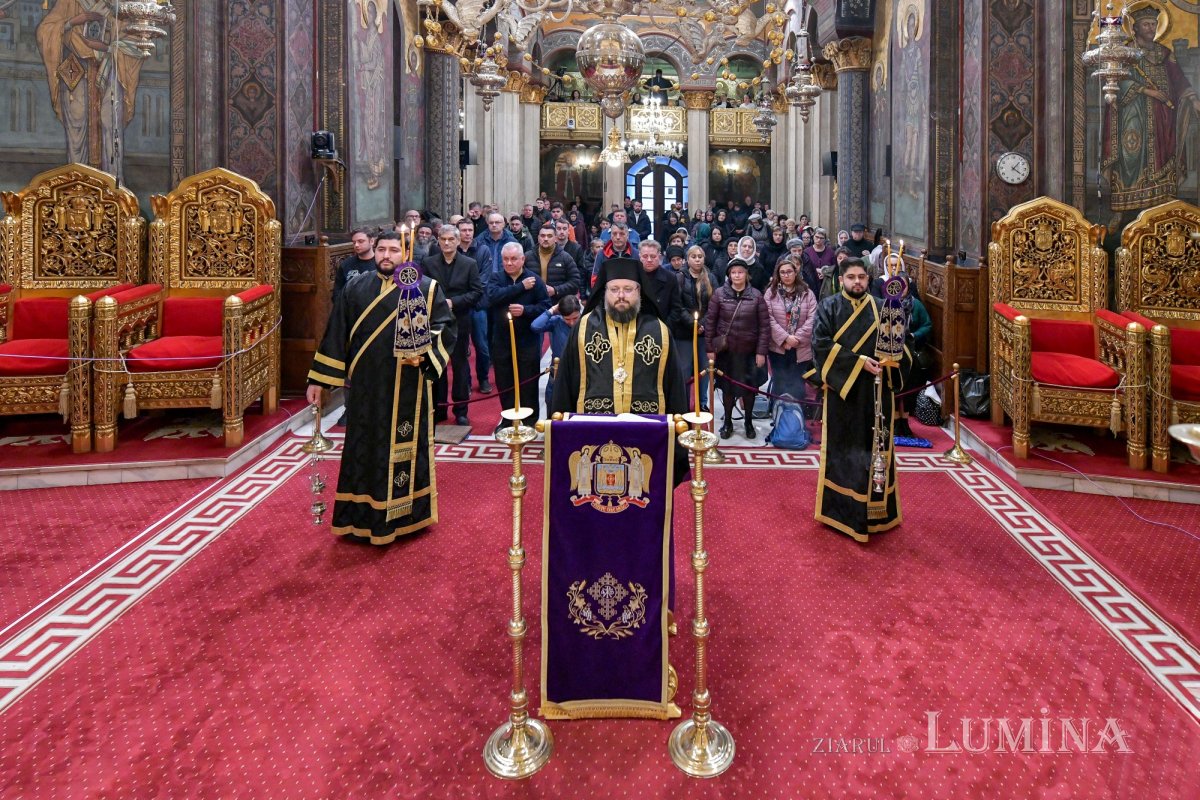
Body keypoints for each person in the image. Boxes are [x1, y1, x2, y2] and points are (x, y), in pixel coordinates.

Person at [306, 231, 456, 544]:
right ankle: (359, 514)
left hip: (407, 388)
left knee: (402, 449)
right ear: (374, 251)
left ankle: (406, 517)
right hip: (364, 388)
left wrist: (424, 354)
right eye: (382, 249)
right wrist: (319, 380)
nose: (387, 256)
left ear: (406, 253)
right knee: (363, 447)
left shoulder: (426, 289)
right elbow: (336, 333)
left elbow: (445, 328)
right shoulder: (355, 287)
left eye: (394, 250)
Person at [811, 259, 910, 543]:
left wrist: (891, 358)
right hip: (845, 393)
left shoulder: (883, 307)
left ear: (869, 279)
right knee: (845, 451)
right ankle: (842, 513)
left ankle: (876, 512)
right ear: (841, 279)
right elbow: (820, 345)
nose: (857, 282)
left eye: (862, 277)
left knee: (875, 450)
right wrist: (857, 362)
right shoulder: (828, 306)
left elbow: (903, 346)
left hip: (877, 392)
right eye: (851, 277)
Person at [551, 257, 686, 418]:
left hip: (647, 427)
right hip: (592, 426)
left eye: (628, 289)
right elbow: (566, 382)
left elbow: (674, 385)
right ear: (605, 291)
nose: (621, 295)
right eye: (614, 289)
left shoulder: (659, 331)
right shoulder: (584, 328)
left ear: (639, 291)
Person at [1102, 5, 1200, 212]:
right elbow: (1117, 82)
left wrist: (1193, 99)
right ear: (1135, 27)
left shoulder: (1165, 53)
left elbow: (1179, 79)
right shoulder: (1125, 52)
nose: (1151, 28)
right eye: (1146, 24)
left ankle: (1161, 206)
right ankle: (1125, 211)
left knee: (1163, 154)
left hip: (1162, 115)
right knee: (1131, 156)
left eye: (1154, 24)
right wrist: (1147, 91)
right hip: (1132, 112)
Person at [485, 242, 550, 430]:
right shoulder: (497, 278)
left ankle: (530, 421)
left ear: (522, 259)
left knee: (528, 382)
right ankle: (508, 420)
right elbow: (492, 297)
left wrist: (526, 310)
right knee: (505, 381)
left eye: (514, 259)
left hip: (527, 339)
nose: (509, 263)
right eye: (505, 259)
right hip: (501, 339)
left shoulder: (534, 280)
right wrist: (520, 287)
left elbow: (545, 307)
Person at [423, 224, 484, 426]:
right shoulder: (429, 263)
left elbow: (476, 292)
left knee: (459, 365)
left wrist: (454, 302)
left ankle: (461, 410)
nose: (447, 243)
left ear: (458, 241)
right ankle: (439, 408)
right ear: (438, 241)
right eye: (443, 239)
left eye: (451, 239)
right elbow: (423, 289)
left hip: (460, 320)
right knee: (436, 363)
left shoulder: (469, 264)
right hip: (435, 321)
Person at [705, 258, 769, 440]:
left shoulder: (756, 295)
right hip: (727, 353)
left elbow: (764, 327)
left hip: (749, 353)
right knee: (727, 389)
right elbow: (710, 323)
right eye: (733, 273)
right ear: (729, 275)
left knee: (749, 390)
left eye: (740, 272)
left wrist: (761, 352)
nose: (737, 275)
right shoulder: (719, 294)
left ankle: (748, 421)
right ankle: (728, 422)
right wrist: (710, 348)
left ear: (746, 274)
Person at [763, 257, 817, 403]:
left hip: (800, 347)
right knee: (779, 382)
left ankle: (795, 416)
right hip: (778, 347)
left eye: (789, 272)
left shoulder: (807, 293)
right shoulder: (771, 293)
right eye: (782, 272)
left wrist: (795, 339)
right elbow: (768, 318)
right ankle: (777, 415)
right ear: (778, 275)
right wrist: (785, 338)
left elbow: (812, 319)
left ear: (795, 272)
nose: (786, 275)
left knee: (797, 384)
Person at [678, 245, 716, 410]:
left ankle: (702, 402)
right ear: (688, 259)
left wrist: (702, 325)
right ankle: (685, 402)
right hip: (684, 331)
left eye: (700, 256)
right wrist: (691, 324)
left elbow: (714, 305)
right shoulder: (679, 277)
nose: (697, 259)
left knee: (704, 369)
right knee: (685, 369)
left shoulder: (711, 278)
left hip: (704, 332)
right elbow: (677, 305)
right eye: (694, 256)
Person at [532, 294, 581, 416]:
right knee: (552, 404)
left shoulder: (586, 322)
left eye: (575, 318)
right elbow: (535, 326)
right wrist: (552, 310)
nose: (571, 323)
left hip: (578, 373)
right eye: (567, 319)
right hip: (557, 372)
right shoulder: (556, 322)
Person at [334, 227, 377, 304]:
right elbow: (337, 293)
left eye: (361, 241)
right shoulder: (346, 264)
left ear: (371, 241)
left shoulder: (380, 264)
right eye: (354, 242)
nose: (356, 245)